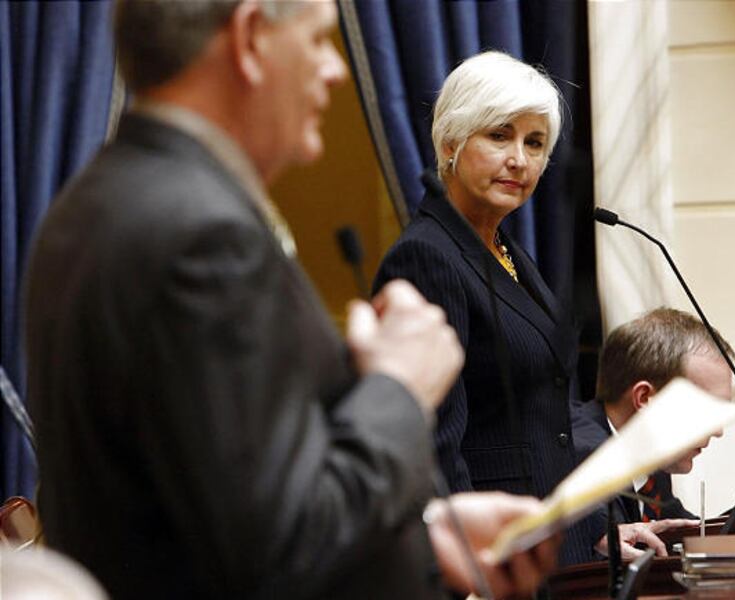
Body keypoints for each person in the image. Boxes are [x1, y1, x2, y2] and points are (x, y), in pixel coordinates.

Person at [22, 2, 560, 599]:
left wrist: (429, 534)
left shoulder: (98, 201)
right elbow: (282, 552)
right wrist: (399, 388)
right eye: (318, 40)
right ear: (252, 37)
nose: (334, 69)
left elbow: (225, 506)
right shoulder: (202, 235)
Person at [373, 51, 615, 567]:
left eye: (535, 143)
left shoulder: (504, 250)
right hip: (494, 553)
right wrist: (473, 559)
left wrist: (597, 530)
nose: (520, 160)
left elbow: (543, 422)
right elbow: (434, 440)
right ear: (450, 143)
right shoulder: (427, 257)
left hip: (550, 542)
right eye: (500, 136)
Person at [572, 308, 734, 555]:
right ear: (645, 398)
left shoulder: (651, 453)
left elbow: (680, 529)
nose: (718, 431)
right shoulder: (583, 461)